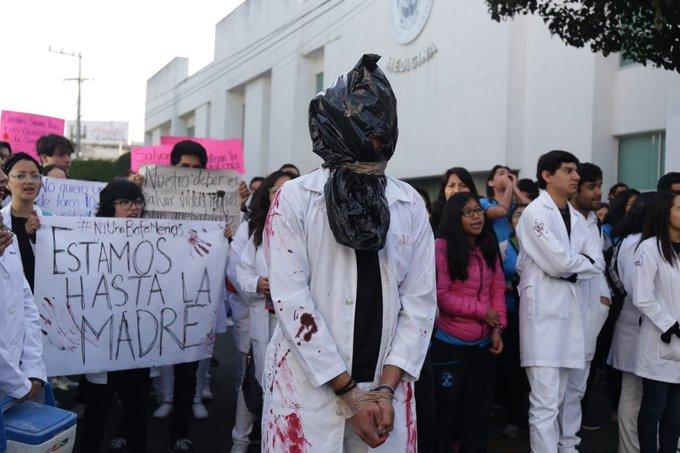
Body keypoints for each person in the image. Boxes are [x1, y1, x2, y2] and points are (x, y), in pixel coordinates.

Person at [262, 54, 436, 451]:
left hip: (384, 394)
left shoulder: (407, 203)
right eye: (366, 126)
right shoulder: (295, 199)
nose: (377, 138)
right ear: (340, 128)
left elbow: (421, 302)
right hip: (310, 390)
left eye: (382, 126)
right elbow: (291, 300)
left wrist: (384, 391)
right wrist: (347, 392)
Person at [516, 150, 603, 453]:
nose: (576, 176)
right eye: (568, 170)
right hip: (543, 324)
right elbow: (559, 264)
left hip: (570, 320)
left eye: (576, 171)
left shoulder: (578, 220)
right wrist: (574, 267)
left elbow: (597, 264)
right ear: (547, 176)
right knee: (544, 406)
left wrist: (571, 268)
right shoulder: (534, 214)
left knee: (567, 399)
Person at [79, 179, 151, 453]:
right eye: (124, 202)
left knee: (137, 402)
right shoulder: (90, 234)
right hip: (103, 335)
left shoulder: (153, 235)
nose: (133, 208)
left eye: (137, 202)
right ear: (110, 206)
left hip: (138, 337)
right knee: (98, 404)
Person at [431, 192, 506, 451]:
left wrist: (497, 328)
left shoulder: (487, 244)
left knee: (478, 414)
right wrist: (482, 312)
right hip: (451, 343)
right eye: (469, 212)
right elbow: (442, 295)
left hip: (483, 344)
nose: (477, 216)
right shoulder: (441, 247)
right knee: (447, 414)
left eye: (479, 211)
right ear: (455, 217)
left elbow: (497, 288)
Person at [152, 139, 213, 452]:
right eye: (184, 167)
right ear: (172, 167)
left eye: (195, 168)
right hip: (158, 292)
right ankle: (167, 399)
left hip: (196, 293)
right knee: (161, 352)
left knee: (189, 361)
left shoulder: (215, 202)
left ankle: (181, 428)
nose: (189, 172)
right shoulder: (153, 197)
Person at [236, 170, 296, 438]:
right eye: (276, 190)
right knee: (257, 381)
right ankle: (241, 437)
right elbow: (242, 270)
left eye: (291, 189)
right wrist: (257, 284)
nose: (283, 195)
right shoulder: (258, 233)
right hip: (265, 318)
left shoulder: (311, 230)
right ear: (268, 195)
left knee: (291, 389)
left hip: (296, 326)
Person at [558, 163, 611, 451]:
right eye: (592, 186)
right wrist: (586, 267)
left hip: (591, 312)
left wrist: (603, 297)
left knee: (577, 387)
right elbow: (564, 265)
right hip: (563, 311)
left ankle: (569, 444)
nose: (598, 192)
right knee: (555, 389)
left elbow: (596, 266)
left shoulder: (594, 222)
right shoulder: (559, 218)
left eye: (599, 185)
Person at [633, 190, 680, 453]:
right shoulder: (649, 248)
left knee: (676, 414)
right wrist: (671, 325)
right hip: (660, 341)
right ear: (665, 213)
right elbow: (642, 297)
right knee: (654, 409)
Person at [607, 193, 654, 452]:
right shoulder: (641, 244)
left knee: (634, 393)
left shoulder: (627, 241)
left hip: (632, 321)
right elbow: (640, 292)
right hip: (638, 322)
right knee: (636, 394)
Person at [0, 164, 46, 405]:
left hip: (20, 382)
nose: (3, 177)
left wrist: (34, 371)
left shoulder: (7, 234)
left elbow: (26, 306)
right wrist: (18, 385)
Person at [496, 203, 529, 438]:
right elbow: (495, 279)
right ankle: (516, 417)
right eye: (518, 214)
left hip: (537, 314)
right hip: (510, 313)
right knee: (513, 368)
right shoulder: (504, 246)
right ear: (510, 221)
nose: (522, 218)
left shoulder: (541, 242)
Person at [1, 153, 51, 291]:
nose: (29, 181)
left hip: (45, 303)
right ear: (6, 183)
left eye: (35, 176)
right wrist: (23, 234)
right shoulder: (1, 220)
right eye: (21, 175)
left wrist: (35, 238)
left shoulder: (51, 219)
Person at [481, 165, 532, 243]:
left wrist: (515, 187)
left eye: (509, 174)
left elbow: (533, 210)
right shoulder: (484, 202)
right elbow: (501, 211)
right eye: (501, 173)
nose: (507, 176)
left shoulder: (515, 205)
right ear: (491, 183)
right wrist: (509, 186)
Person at [430, 167, 479, 231]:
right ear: (444, 190)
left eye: (463, 185)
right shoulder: (434, 218)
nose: (457, 190)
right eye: (451, 185)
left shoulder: (478, 216)